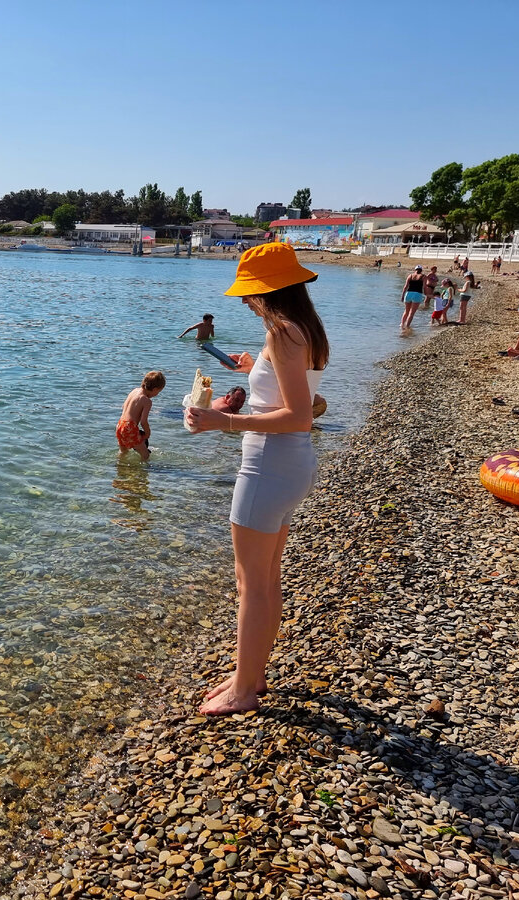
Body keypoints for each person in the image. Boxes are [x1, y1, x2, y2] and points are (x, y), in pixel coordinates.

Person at [184, 243, 328, 716]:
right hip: (291, 468)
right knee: (266, 577)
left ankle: (245, 690)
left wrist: (222, 423)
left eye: (250, 292)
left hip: (268, 466)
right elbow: (296, 394)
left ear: (270, 290)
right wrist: (256, 369)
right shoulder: (304, 329)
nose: (245, 301)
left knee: (252, 583)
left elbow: (298, 416)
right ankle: (253, 672)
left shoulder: (283, 331)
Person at [116, 371, 165, 462]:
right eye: (158, 392)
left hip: (120, 425)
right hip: (129, 427)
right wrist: (147, 433)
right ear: (155, 389)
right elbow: (143, 421)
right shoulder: (146, 401)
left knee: (123, 451)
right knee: (145, 454)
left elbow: (124, 406)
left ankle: (120, 469)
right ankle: (142, 474)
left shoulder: (134, 391)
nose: (156, 395)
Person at [400, 265, 425, 330]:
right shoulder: (423, 277)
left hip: (408, 293)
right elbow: (424, 287)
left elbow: (405, 286)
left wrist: (402, 295)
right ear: (421, 270)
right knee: (412, 313)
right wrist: (426, 295)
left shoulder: (410, 276)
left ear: (415, 269)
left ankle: (402, 325)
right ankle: (407, 327)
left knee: (406, 311)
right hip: (417, 294)